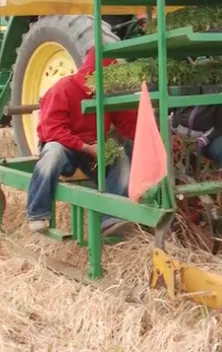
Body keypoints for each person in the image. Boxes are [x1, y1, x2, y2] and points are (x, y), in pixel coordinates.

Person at [27, 48, 138, 236]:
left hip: (94, 147)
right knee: (52, 153)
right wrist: (86, 147)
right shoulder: (63, 89)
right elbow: (53, 130)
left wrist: (158, 136)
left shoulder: (108, 93)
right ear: (91, 74)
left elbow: (129, 123)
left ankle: (111, 218)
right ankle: (37, 213)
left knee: (121, 160)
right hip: (64, 145)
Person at [170, 104, 222, 204]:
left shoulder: (221, 95)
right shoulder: (178, 90)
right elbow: (160, 110)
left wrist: (206, 138)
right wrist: (169, 132)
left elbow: (220, 126)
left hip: (207, 137)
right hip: (176, 134)